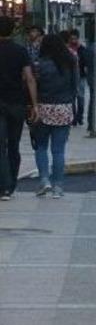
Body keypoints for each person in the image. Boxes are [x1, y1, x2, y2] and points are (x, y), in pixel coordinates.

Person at [31, 34, 79, 198]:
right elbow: (76, 86)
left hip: (43, 108)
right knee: (58, 151)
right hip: (63, 108)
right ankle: (58, 186)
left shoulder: (38, 64)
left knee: (41, 147)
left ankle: (44, 180)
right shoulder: (71, 61)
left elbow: (33, 86)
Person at [0, 16, 39, 201]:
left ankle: (3, 187)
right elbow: (30, 78)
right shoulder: (20, 51)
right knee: (13, 145)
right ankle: (10, 186)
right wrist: (35, 104)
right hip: (16, 103)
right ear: (12, 31)